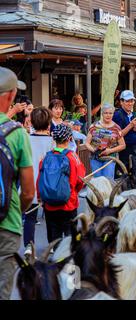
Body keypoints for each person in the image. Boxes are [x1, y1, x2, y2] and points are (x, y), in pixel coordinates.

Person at [0, 67, 34, 300]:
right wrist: (17, 210)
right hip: (7, 221)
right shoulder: (18, 133)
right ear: (11, 96)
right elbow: (29, 191)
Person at [37, 124, 85, 244]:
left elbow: (40, 180)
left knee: (54, 239)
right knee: (70, 239)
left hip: (49, 205)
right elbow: (80, 180)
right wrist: (74, 192)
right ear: (69, 139)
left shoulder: (46, 157)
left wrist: (40, 197)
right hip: (69, 203)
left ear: (54, 138)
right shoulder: (72, 157)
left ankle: (55, 258)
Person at [23, 107, 53, 256]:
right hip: (49, 186)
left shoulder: (26, 140)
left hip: (29, 185)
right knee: (51, 217)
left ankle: (29, 246)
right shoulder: (53, 142)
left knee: (29, 218)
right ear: (49, 124)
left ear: (32, 123)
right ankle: (52, 245)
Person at [85, 104, 126, 179]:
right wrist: (93, 149)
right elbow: (87, 143)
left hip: (110, 158)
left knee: (108, 181)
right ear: (102, 114)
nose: (108, 115)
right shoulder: (94, 126)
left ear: (113, 114)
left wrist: (110, 150)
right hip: (95, 158)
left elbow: (123, 145)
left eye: (110, 113)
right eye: (106, 113)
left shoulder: (116, 128)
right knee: (97, 182)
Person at [113, 90, 136, 188]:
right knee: (123, 178)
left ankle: (131, 198)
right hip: (123, 150)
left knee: (133, 176)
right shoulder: (117, 115)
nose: (130, 103)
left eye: (132, 101)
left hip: (134, 148)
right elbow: (118, 135)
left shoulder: (133, 114)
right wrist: (131, 125)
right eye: (127, 101)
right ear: (121, 102)